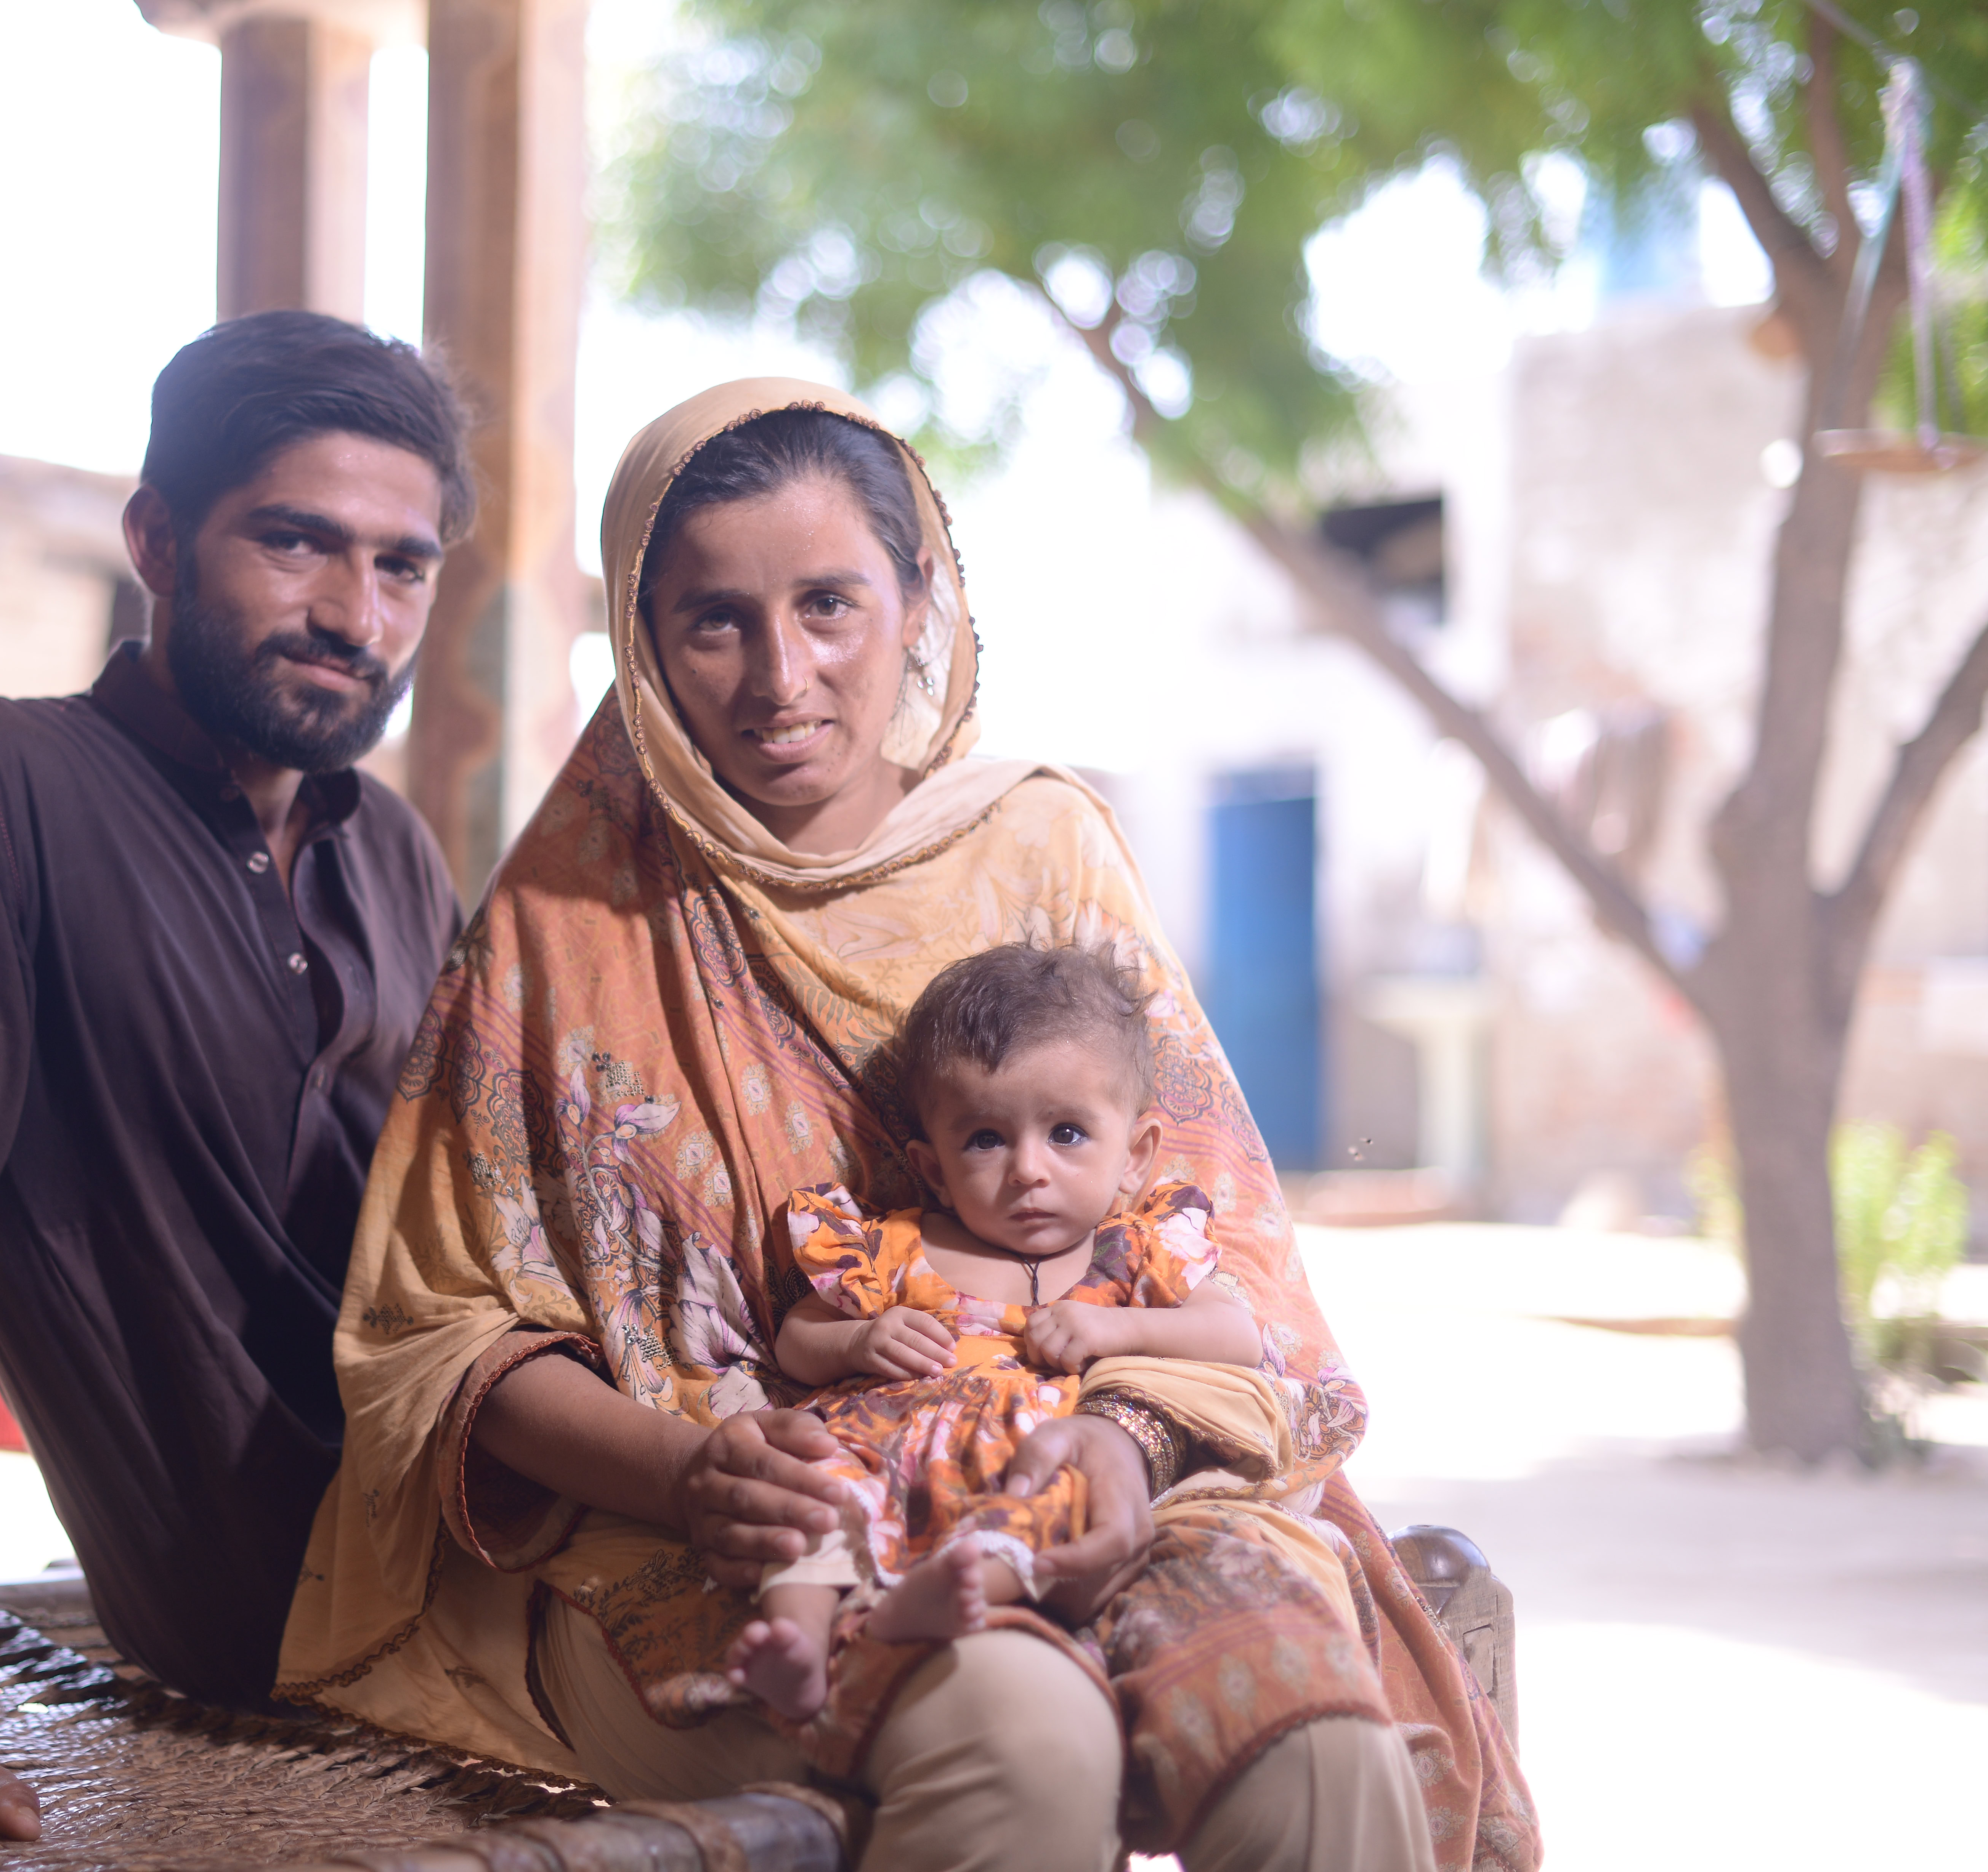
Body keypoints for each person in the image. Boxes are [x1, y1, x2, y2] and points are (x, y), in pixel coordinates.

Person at [279, 387, 1539, 1871]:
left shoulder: (1041, 847)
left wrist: (1123, 1439)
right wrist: (691, 1471)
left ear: (920, 596)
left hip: (1112, 1470)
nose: (780, 677)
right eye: (712, 623)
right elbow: (442, 1344)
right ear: (636, 639)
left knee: (1310, 1744)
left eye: (829, 604)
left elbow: (1221, 1238)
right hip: (743, 1542)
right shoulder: (567, 923)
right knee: (1022, 1737)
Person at [0, 311, 472, 1862]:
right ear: (155, 540)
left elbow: (458, 1264)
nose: (352, 611)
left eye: (402, 566)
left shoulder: (391, 854)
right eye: (296, 543)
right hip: (277, 1624)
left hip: (491, 1528)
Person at [727, 941, 1264, 1722]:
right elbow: (797, 1339)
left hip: (1029, 1461)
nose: (1027, 1169)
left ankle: (930, 1603)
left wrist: (1113, 1327)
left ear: (1134, 1155)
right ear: (935, 1168)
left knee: (1057, 1506)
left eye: (1067, 1133)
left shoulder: (1136, 1249)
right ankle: (799, 1645)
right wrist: (856, 1341)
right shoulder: (898, 1245)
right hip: (889, 1451)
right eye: (984, 1138)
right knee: (811, 1501)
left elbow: (1237, 1335)